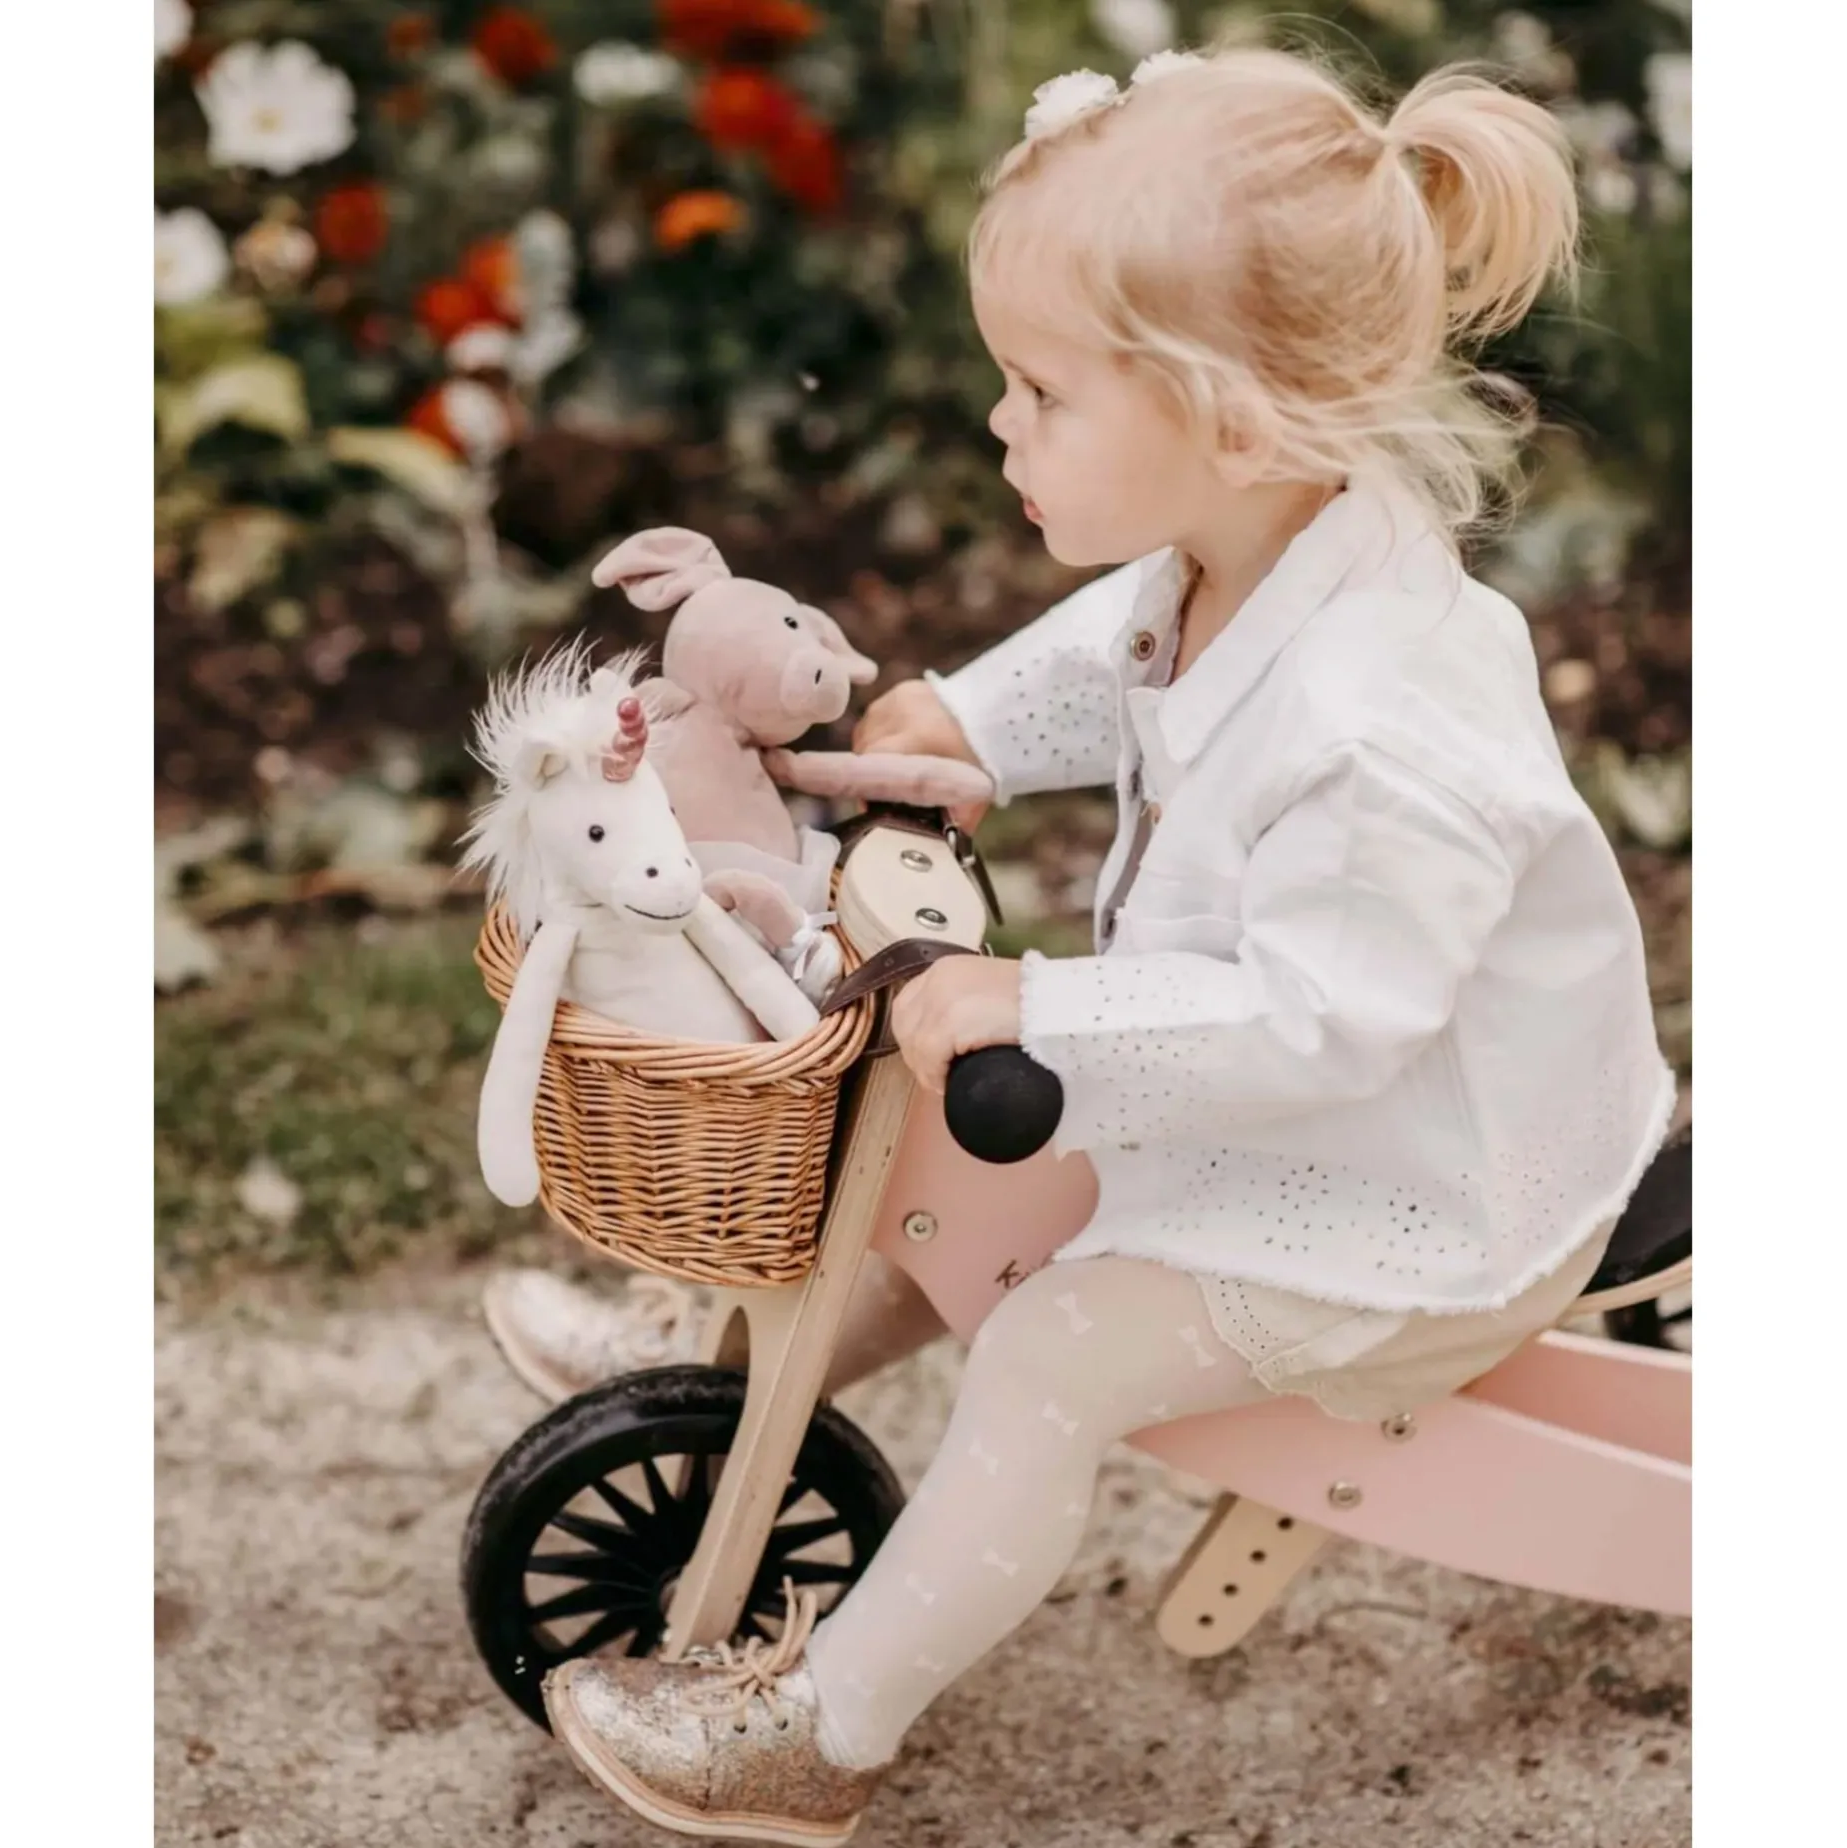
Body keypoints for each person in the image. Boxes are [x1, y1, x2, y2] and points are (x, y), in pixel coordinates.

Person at [527, 44, 1677, 1845]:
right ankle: (712, 1363)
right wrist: (965, 724)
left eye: (1044, 392)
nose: (1004, 425)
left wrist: (1032, 1005)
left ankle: (819, 1736)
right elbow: (1110, 654)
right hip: (1318, 1115)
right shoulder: (1247, 542)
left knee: (1050, 1350)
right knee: (938, 1170)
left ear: (1237, 424)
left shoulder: (1380, 735)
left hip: (1414, 1194)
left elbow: (1320, 1025)